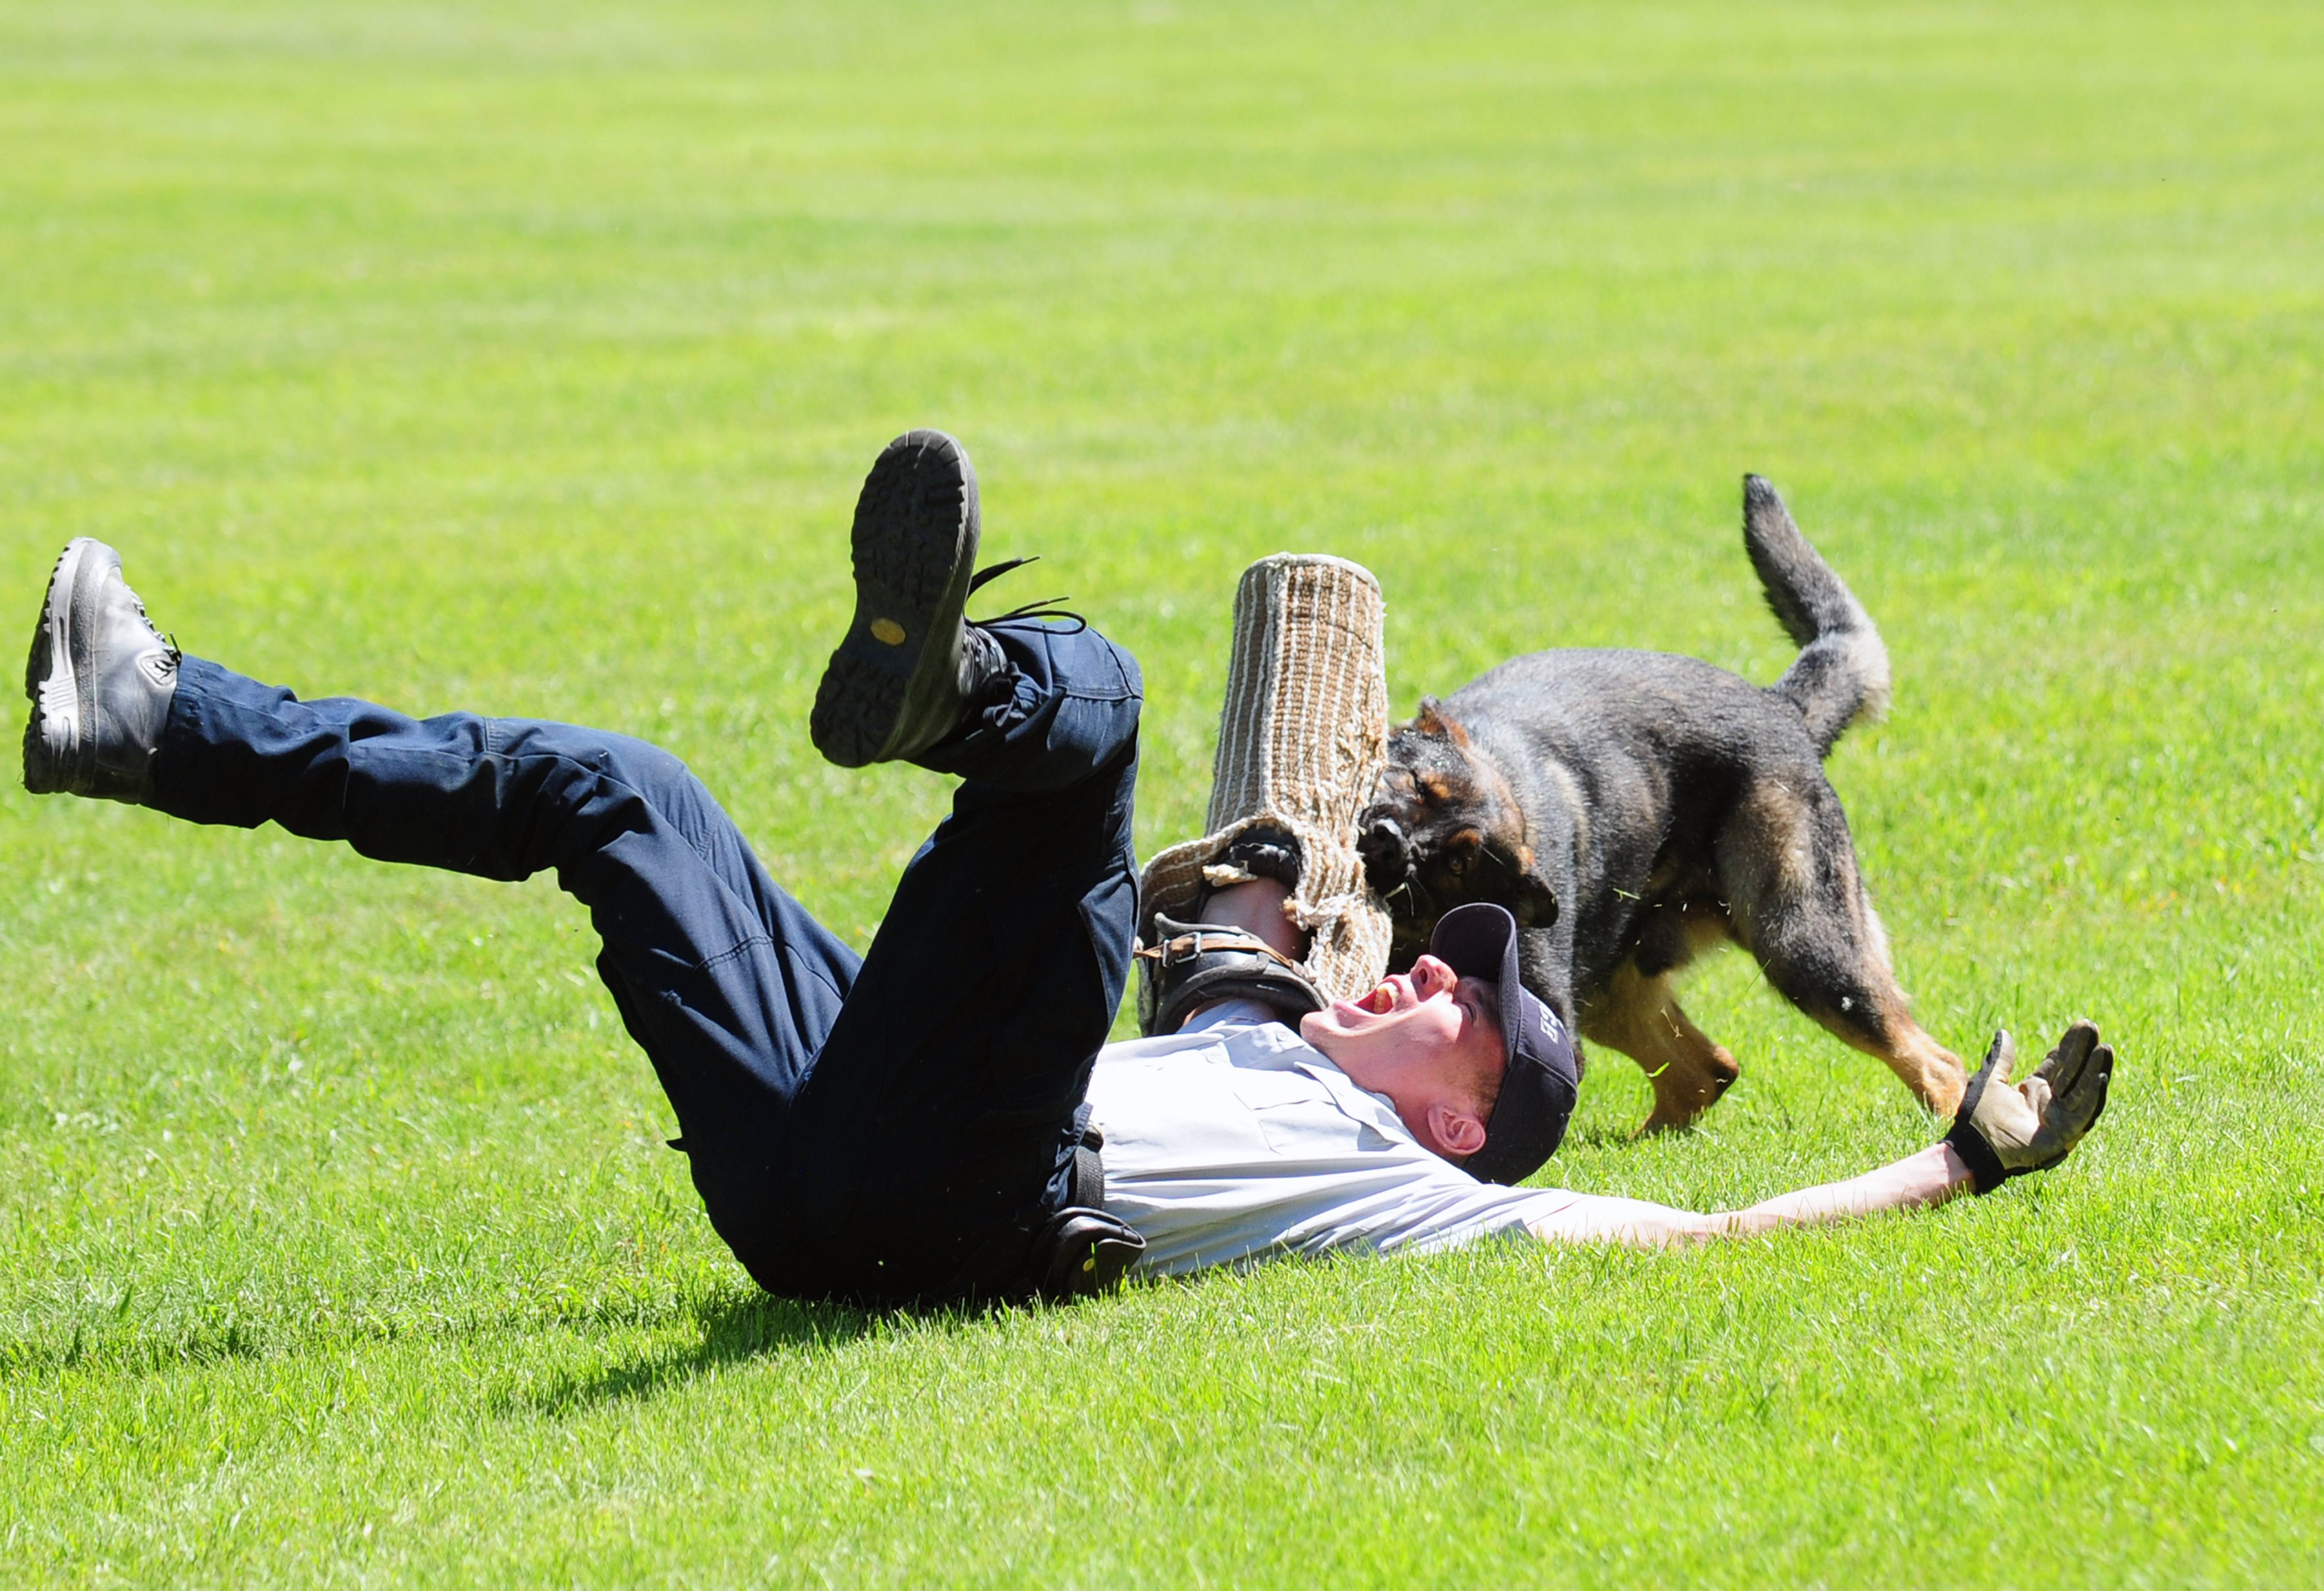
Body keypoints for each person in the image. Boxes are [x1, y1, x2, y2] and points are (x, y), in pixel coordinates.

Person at [21, 429, 2114, 1308]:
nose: (1418, 975)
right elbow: (1271, 928)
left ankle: (982, 708)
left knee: (1087, 748)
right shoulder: (1281, 1040)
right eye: (1441, 964)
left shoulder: (1409, 1197)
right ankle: (148, 726)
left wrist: (1961, 1158)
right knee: (619, 791)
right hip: (818, 1177)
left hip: (985, 1196)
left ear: (1469, 1114)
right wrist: (1272, 917)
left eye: (1458, 1001)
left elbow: (1715, 1228)